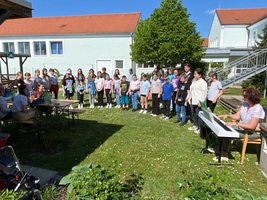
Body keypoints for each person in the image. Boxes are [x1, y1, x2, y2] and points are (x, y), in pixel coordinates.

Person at [215, 88, 265, 162]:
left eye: (244, 96)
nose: (243, 97)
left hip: (252, 132)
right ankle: (218, 148)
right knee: (224, 127)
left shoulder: (257, 108)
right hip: (243, 128)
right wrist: (227, 115)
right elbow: (237, 116)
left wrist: (236, 123)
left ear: (251, 97)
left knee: (228, 132)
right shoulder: (245, 104)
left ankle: (224, 154)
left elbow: (252, 126)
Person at [188, 68, 208, 134]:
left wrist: (201, 101)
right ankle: (195, 125)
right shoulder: (194, 81)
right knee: (194, 114)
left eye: (195, 74)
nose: (194, 75)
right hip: (193, 100)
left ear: (200, 75)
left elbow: (204, 93)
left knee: (199, 115)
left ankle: (200, 128)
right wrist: (188, 97)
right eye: (194, 74)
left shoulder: (203, 83)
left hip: (198, 101)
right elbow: (191, 90)